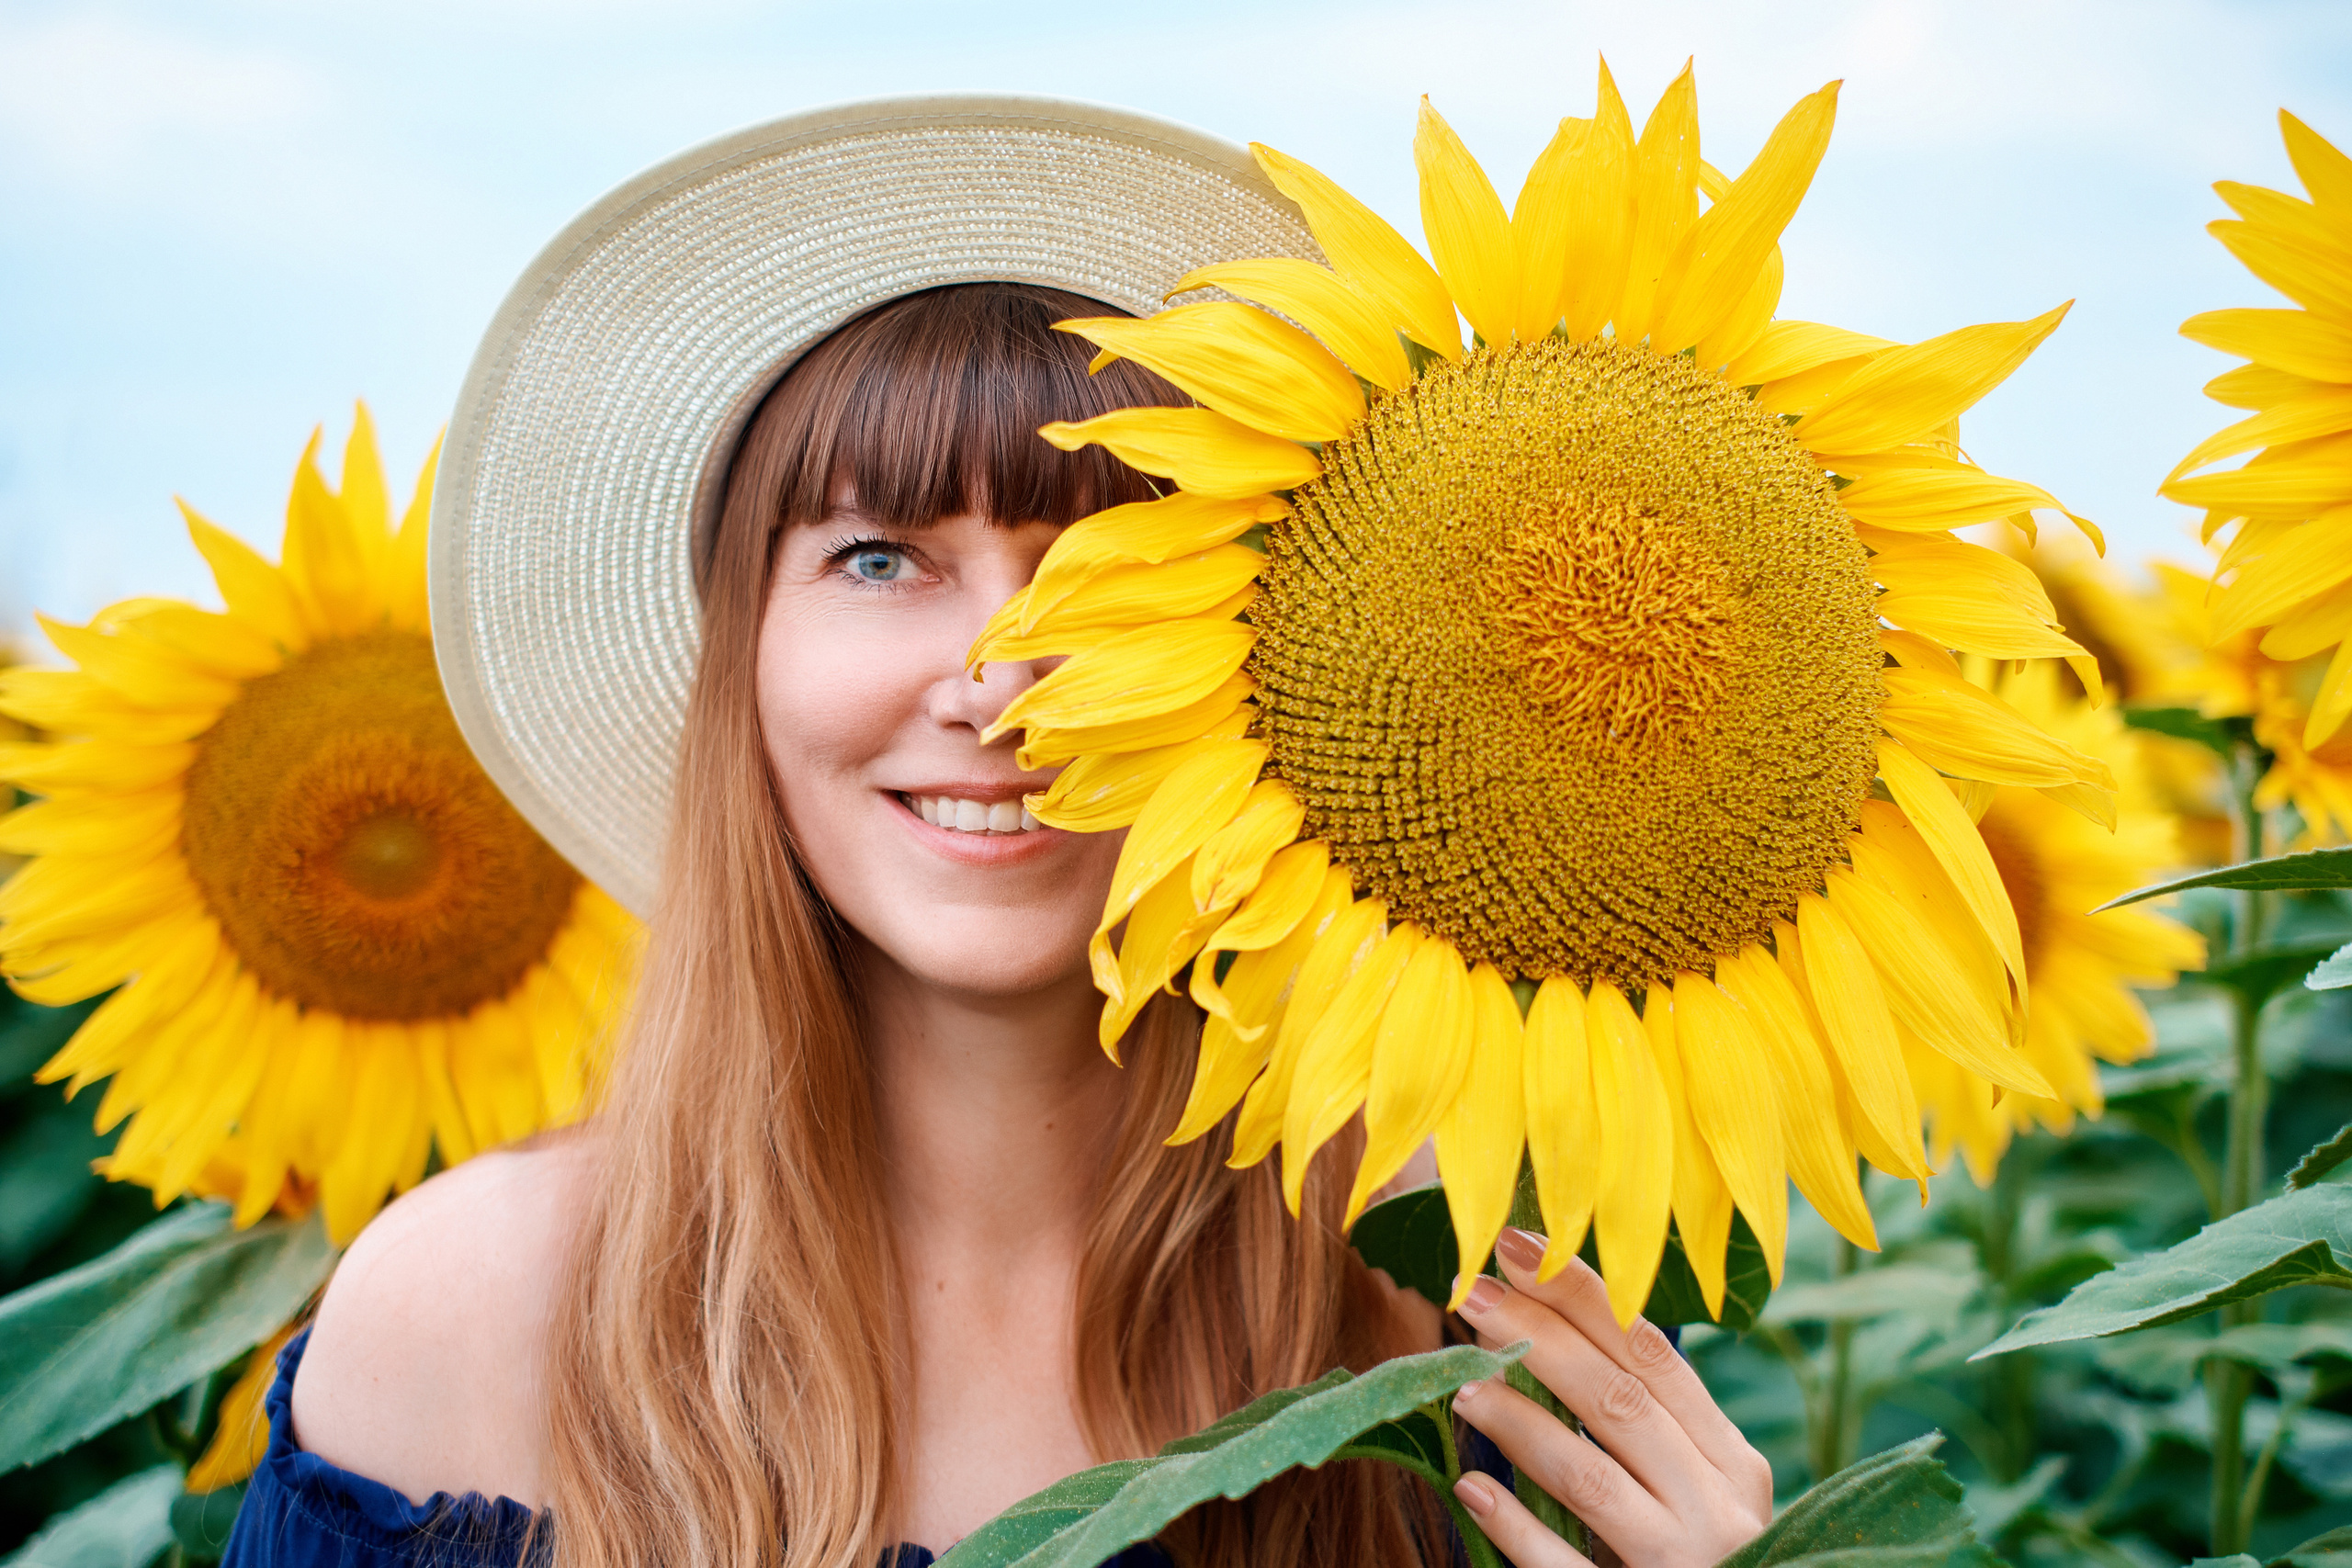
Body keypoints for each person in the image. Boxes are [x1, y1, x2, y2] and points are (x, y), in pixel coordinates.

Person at [225, 101, 1772, 1568]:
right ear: (739, 658)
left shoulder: (1457, 1296)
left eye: (1106, 567)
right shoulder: (472, 1315)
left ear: (1283, 662)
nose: (998, 685)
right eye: (882, 557)